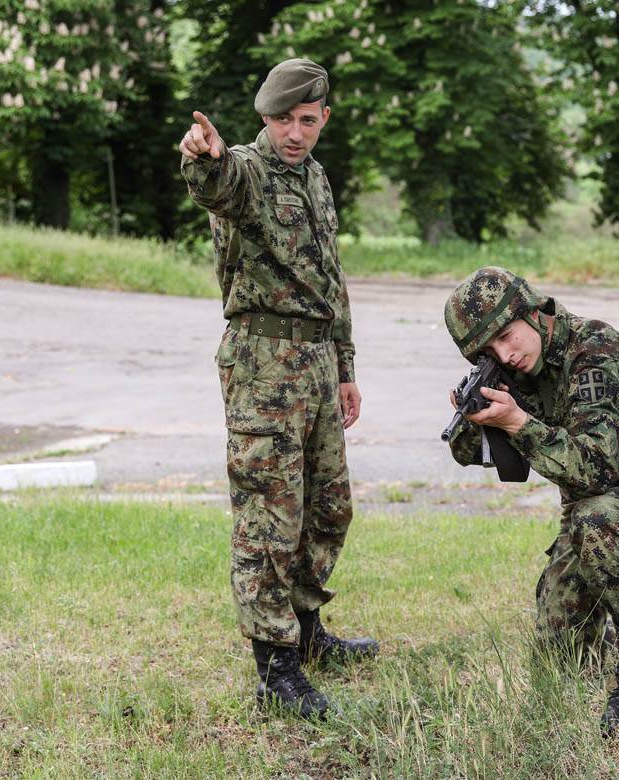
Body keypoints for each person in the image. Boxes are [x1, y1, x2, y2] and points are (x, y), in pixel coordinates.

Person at [178, 57, 377, 719]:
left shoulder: (316, 178)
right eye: (284, 119)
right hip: (263, 363)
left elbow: (331, 279)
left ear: (323, 119)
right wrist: (202, 159)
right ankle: (275, 665)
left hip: (318, 362)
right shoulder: (247, 168)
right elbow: (217, 185)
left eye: (308, 120)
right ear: (265, 117)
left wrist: (345, 368)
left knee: (328, 509)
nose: (295, 132)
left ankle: (309, 631)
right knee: (270, 517)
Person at [443, 266, 619, 734]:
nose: (506, 352)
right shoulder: (516, 373)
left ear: (533, 310)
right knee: (559, 665)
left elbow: (594, 469)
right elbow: (467, 455)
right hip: (591, 521)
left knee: (596, 518)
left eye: (507, 334)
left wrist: (518, 423)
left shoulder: (596, 352)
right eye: (489, 350)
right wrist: (474, 416)